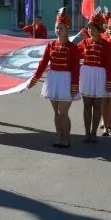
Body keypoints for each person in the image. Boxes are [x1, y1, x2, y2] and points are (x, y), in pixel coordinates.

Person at [27, 8, 80, 149]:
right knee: (56, 113)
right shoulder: (50, 45)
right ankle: (59, 137)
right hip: (53, 79)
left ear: (67, 29)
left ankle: (67, 139)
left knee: (62, 112)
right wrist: (34, 79)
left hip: (66, 80)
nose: (58, 30)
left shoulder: (73, 48)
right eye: (57, 27)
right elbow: (42, 63)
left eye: (61, 28)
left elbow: (76, 69)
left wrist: (74, 86)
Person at [78, 11, 111, 143]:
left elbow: (109, 65)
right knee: (87, 105)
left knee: (97, 105)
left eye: (93, 28)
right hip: (87, 74)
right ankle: (87, 133)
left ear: (99, 30)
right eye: (89, 28)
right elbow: (75, 53)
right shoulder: (84, 42)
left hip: (100, 75)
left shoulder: (107, 45)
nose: (90, 30)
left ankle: (94, 133)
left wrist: (109, 82)